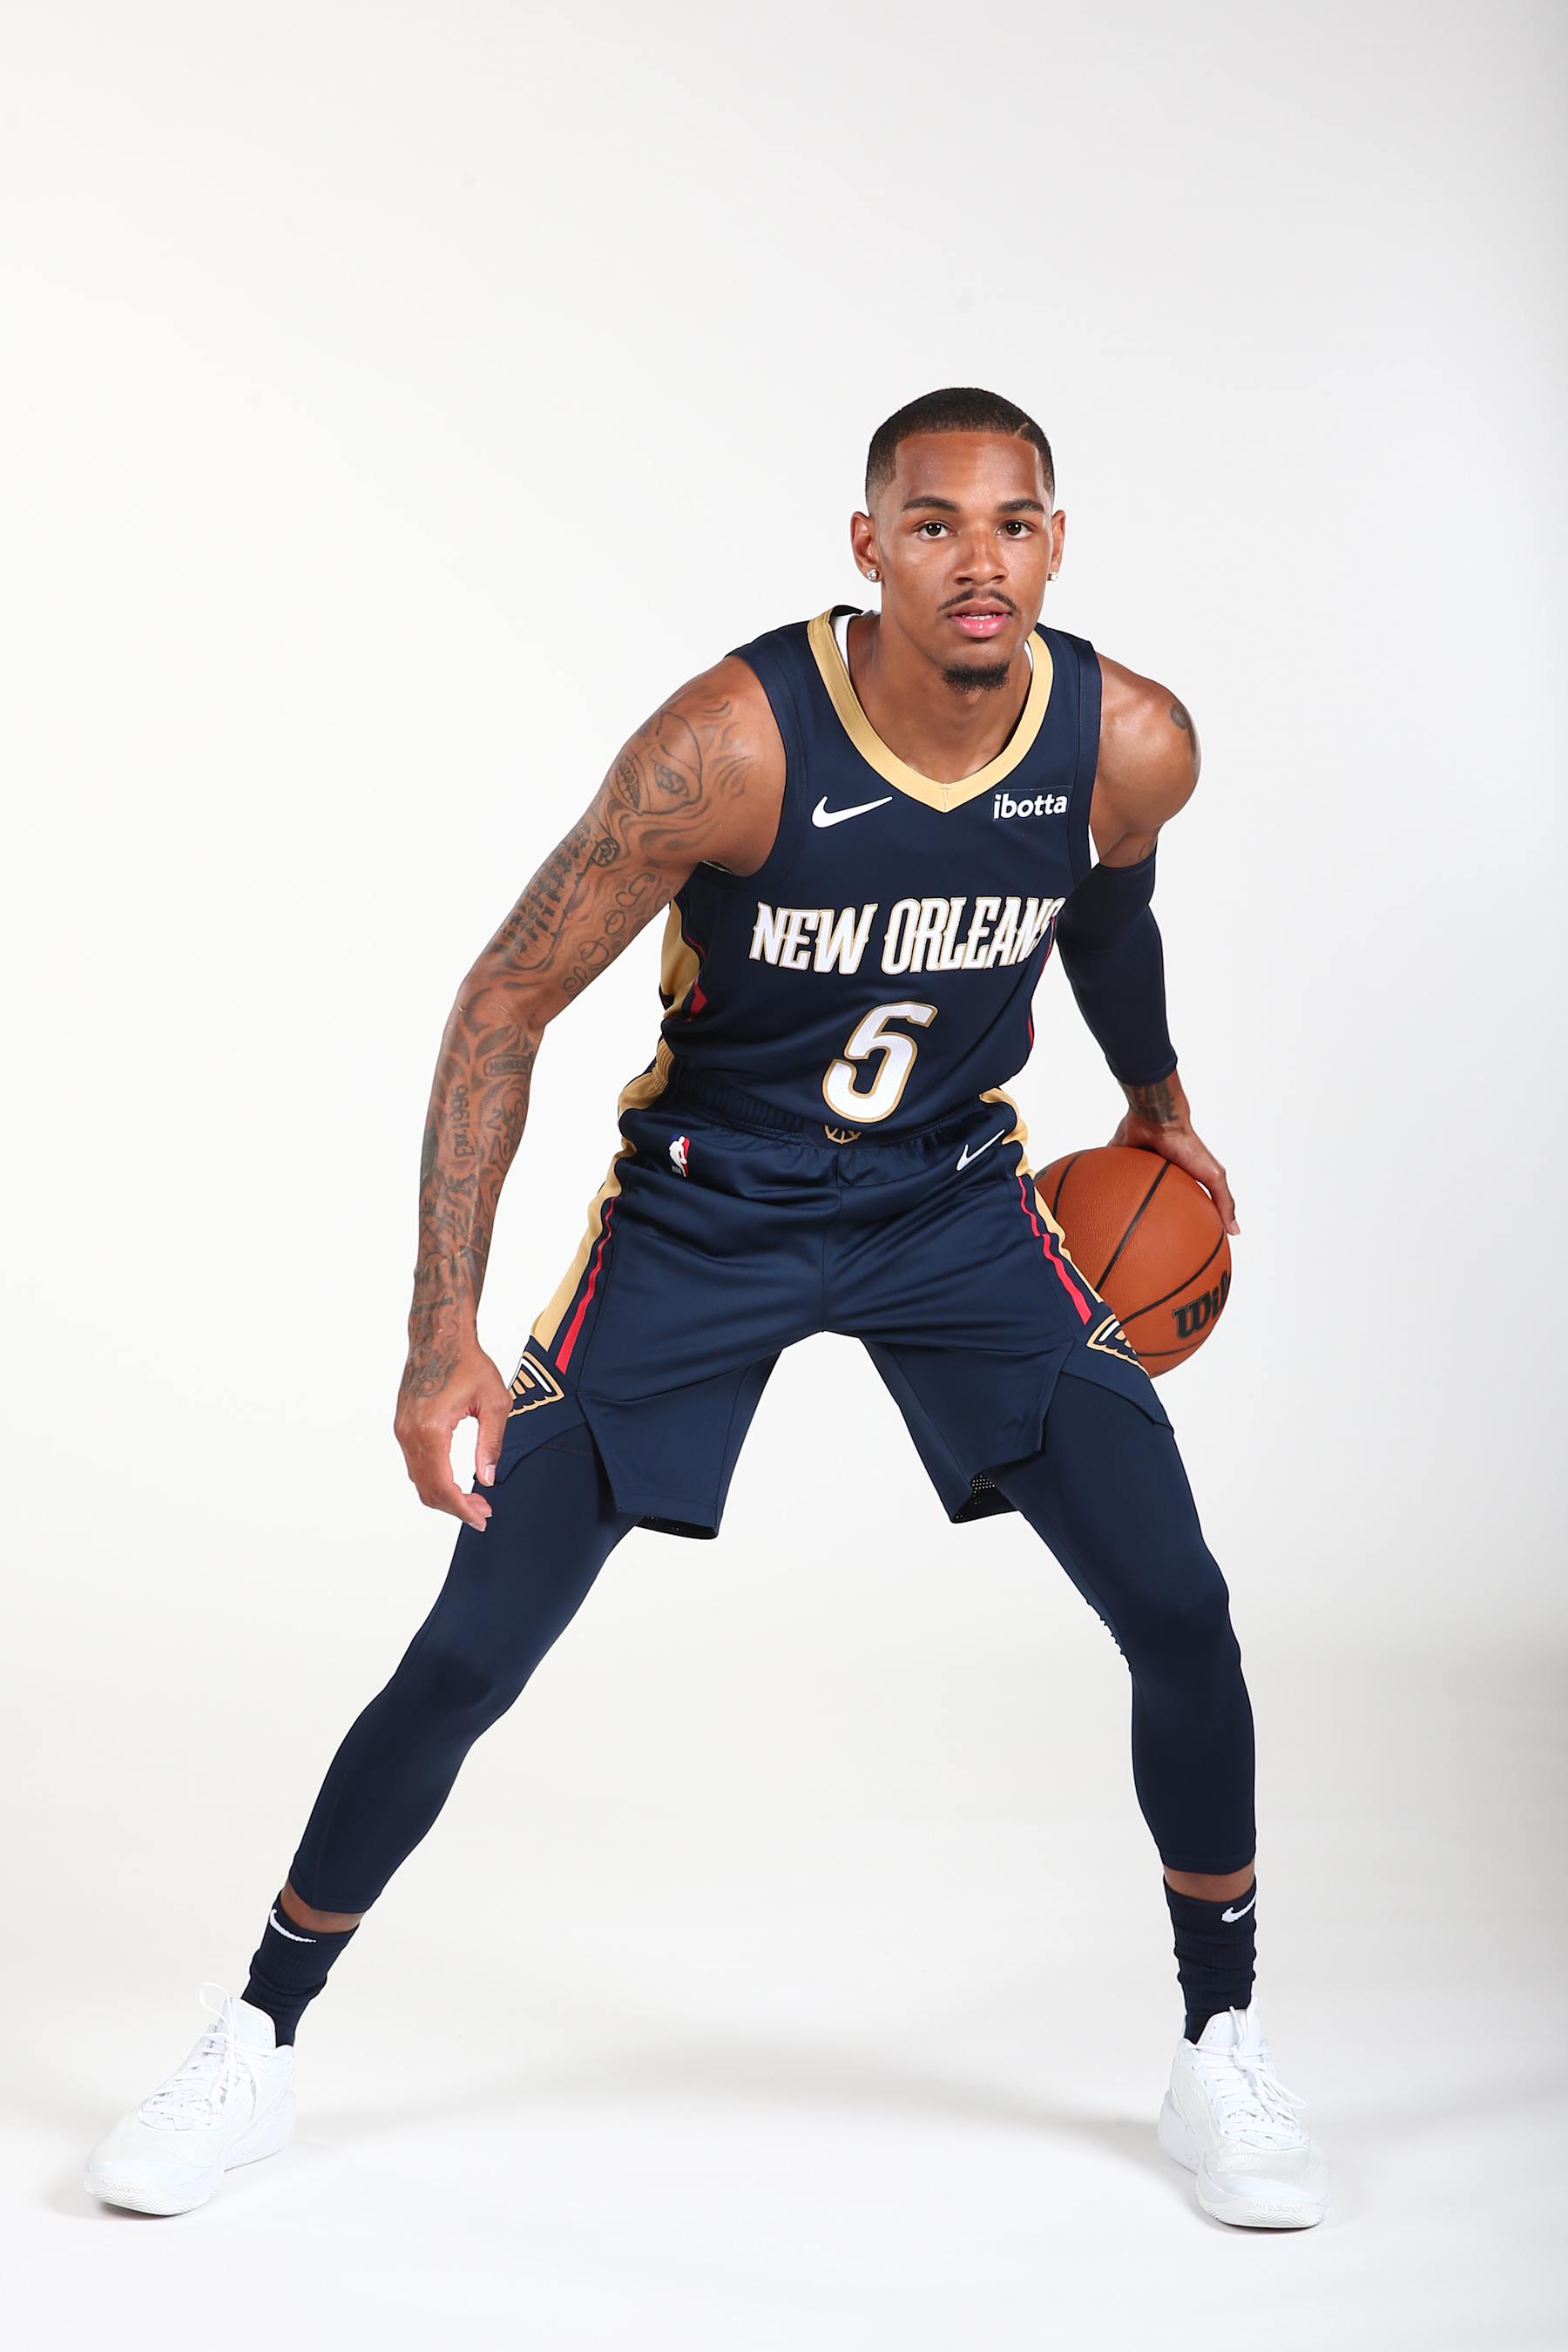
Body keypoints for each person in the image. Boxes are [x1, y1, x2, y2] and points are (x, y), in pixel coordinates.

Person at [86, 386, 1327, 2229]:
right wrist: (441, 1334)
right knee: (473, 1649)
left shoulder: (1127, 742)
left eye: (1012, 522)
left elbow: (1103, 911)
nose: (976, 559)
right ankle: (255, 2036)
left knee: (1182, 1602)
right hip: (707, 1213)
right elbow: (504, 1002)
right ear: (869, 545)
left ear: (1057, 542)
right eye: (933, 523)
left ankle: (1220, 2043)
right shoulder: (731, 747)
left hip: (952, 1208)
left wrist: (1154, 1098)